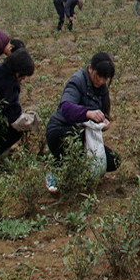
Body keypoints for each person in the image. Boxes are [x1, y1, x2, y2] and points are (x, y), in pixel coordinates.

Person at [46, 52, 120, 192]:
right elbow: (66, 107)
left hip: (84, 136)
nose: (101, 81)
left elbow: (104, 114)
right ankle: (56, 168)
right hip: (60, 130)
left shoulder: (102, 89)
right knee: (72, 140)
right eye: (98, 76)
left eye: (105, 78)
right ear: (90, 68)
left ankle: (76, 173)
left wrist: (103, 123)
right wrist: (87, 113)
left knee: (113, 160)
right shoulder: (77, 81)